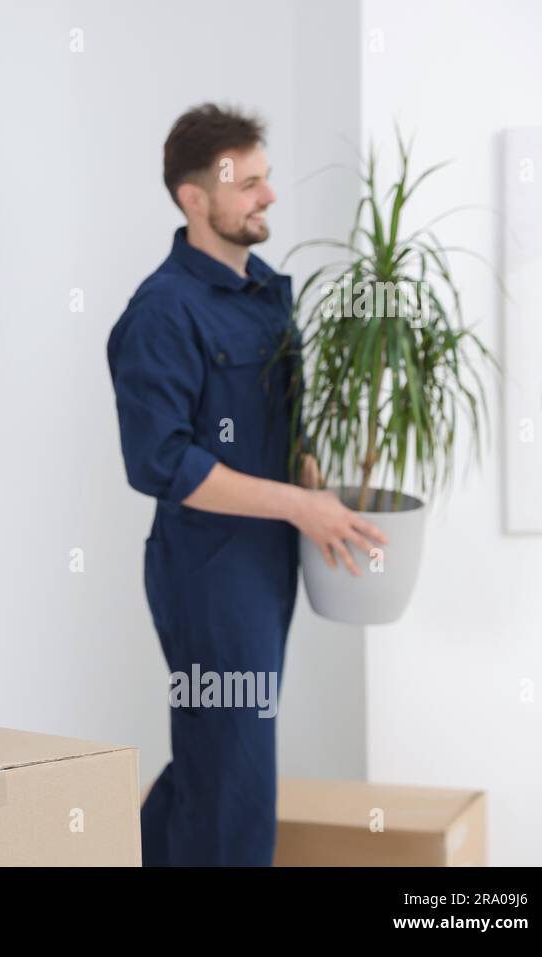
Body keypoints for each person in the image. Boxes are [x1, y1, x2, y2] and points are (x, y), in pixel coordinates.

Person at [107, 103, 387, 865]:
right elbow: (161, 462)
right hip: (208, 570)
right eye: (249, 184)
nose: (268, 196)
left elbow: (278, 422)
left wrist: (318, 485)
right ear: (194, 198)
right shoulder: (162, 313)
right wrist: (303, 506)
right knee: (235, 772)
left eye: (266, 179)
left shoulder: (265, 290)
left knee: (216, 758)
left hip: (267, 563)